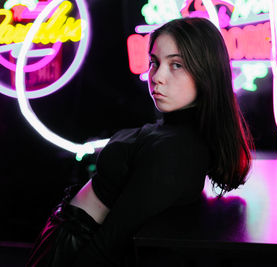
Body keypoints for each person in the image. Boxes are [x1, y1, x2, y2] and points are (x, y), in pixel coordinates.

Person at [26, 17, 253, 266]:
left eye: (176, 65)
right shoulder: (176, 129)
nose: (157, 77)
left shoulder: (177, 151)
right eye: (154, 63)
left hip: (74, 249)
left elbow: (108, 244)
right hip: (66, 236)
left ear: (206, 71)